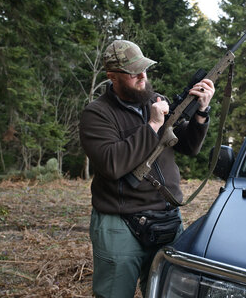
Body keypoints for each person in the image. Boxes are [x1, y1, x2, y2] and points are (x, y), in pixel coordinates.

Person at [79, 40, 214, 298]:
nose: (143, 76)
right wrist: (152, 125)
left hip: (167, 217)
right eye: (133, 72)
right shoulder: (96, 114)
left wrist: (201, 114)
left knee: (170, 293)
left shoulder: (155, 100)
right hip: (120, 223)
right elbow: (111, 163)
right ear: (112, 77)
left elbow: (188, 146)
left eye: (144, 69)